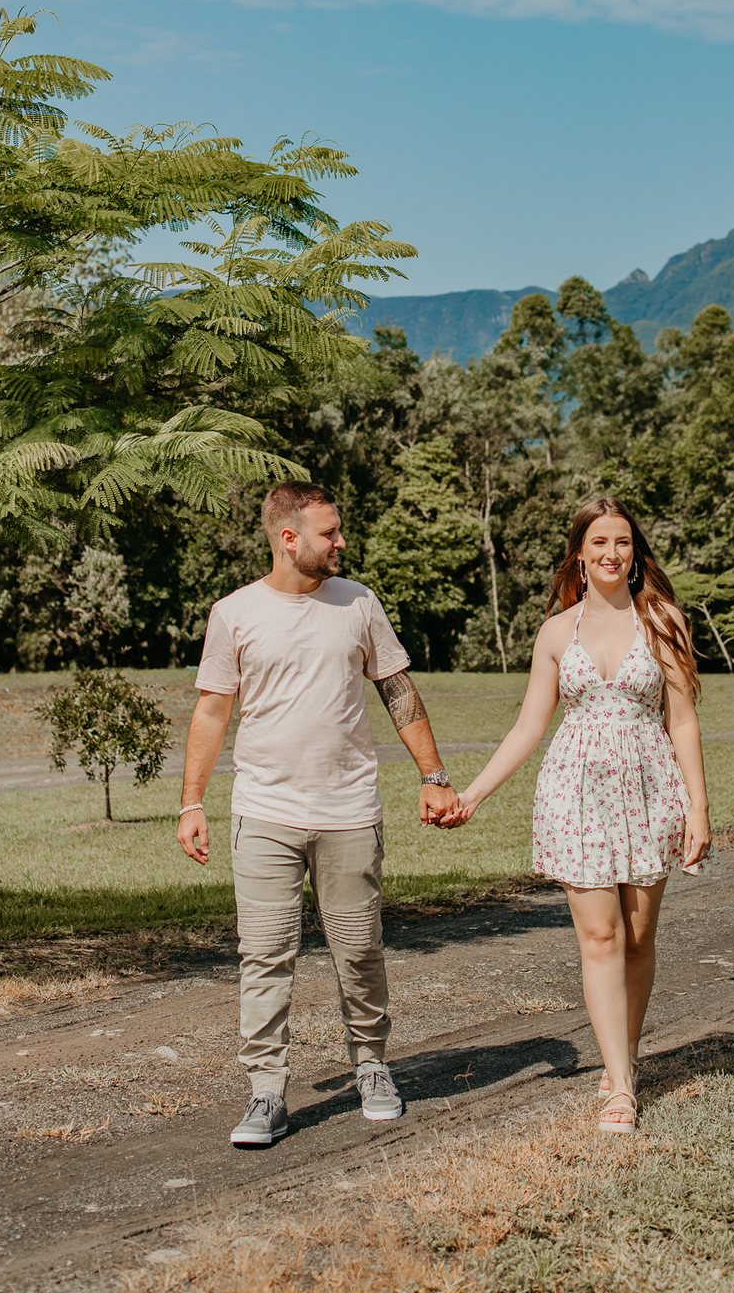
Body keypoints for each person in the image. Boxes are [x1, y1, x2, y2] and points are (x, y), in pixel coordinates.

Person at [177, 481, 461, 1148]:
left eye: (338, 531)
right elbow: (213, 710)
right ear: (288, 538)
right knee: (266, 956)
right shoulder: (235, 613)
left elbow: (396, 687)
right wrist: (191, 801)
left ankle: (371, 1065)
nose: (340, 542)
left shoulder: (359, 603)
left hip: (349, 811)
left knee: (358, 950)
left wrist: (434, 775)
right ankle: (266, 1093)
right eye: (329, 533)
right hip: (264, 812)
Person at [440, 495, 712, 1135]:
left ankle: (628, 1056)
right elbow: (529, 726)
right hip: (576, 794)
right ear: (580, 556)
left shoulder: (664, 620)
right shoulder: (557, 633)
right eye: (599, 543)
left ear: (635, 555)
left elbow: (682, 719)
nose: (611, 553)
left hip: (651, 792)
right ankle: (618, 1085)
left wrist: (699, 806)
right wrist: (473, 794)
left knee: (639, 938)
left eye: (622, 542)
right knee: (601, 938)